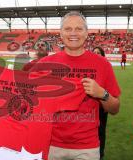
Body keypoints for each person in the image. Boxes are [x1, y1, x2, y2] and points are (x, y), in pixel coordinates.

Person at [34, 11, 120, 160]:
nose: (73, 33)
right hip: (50, 143)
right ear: (60, 33)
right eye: (68, 29)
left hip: (87, 147)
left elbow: (115, 109)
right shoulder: (43, 65)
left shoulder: (103, 64)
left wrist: (102, 94)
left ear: (86, 33)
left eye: (79, 29)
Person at [93, 46, 108, 159]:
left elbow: (111, 91)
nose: (96, 54)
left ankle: (100, 153)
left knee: (101, 130)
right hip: (89, 106)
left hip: (102, 105)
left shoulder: (106, 69)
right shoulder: (88, 68)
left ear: (103, 55)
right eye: (94, 53)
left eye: (99, 53)